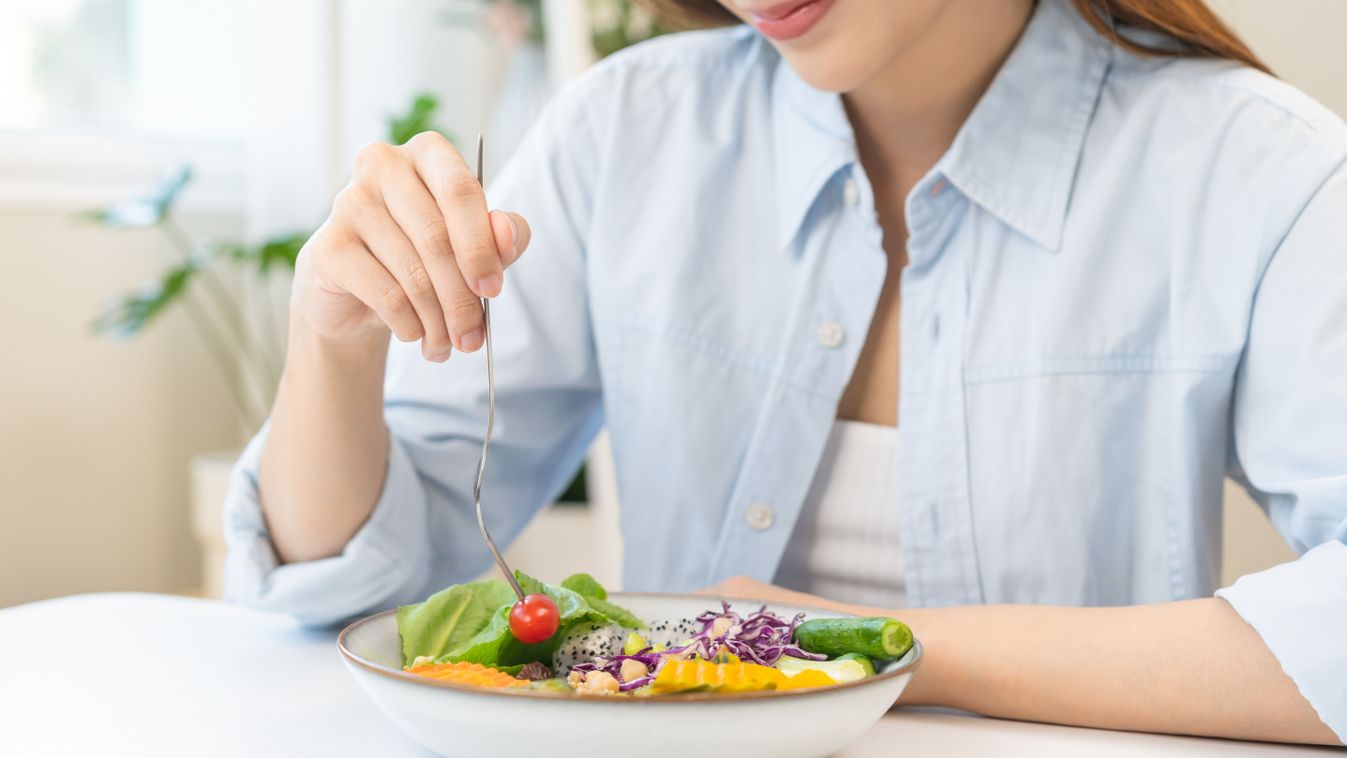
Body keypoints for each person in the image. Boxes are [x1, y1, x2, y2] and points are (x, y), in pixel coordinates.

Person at [223, 0, 1347, 744]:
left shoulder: (1258, 170)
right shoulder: (628, 132)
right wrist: (334, 344)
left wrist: (864, 649)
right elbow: (363, 594)